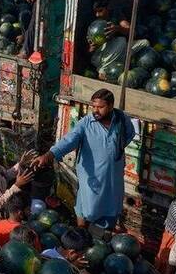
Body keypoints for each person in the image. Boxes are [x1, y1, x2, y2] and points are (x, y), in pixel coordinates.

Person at [37, 89, 135, 230]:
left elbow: (129, 135)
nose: (95, 110)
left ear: (111, 106)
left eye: (100, 107)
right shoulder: (86, 123)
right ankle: (81, 232)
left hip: (113, 178)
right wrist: (49, 154)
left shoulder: (121, 120)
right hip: (92, 177)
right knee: (86, 205)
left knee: (111, 208)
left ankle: (104, 235)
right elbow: (69, 140)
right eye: (93, 106)